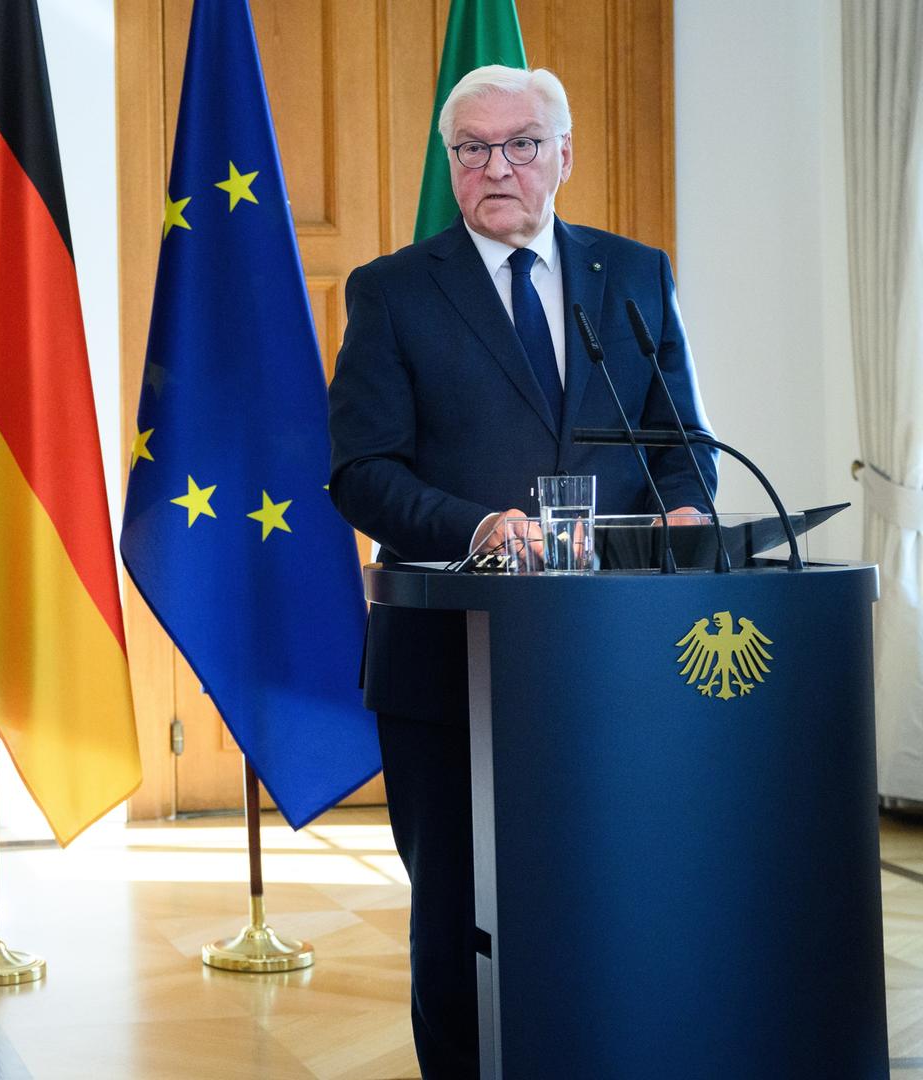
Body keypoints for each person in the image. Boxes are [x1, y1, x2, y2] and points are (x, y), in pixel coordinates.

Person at [326, 65, 716, 1076]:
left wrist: (683, 512)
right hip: (450, 662)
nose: (498, 166)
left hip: (616, 659)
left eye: (522, 144)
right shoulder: (392, 291)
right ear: (450, 165)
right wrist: (478, 528)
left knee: (612, 892)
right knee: (457, 911)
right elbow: (359, 473)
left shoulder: (634, 277)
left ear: (564, 156)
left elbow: (682, 440)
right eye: (472, 149)